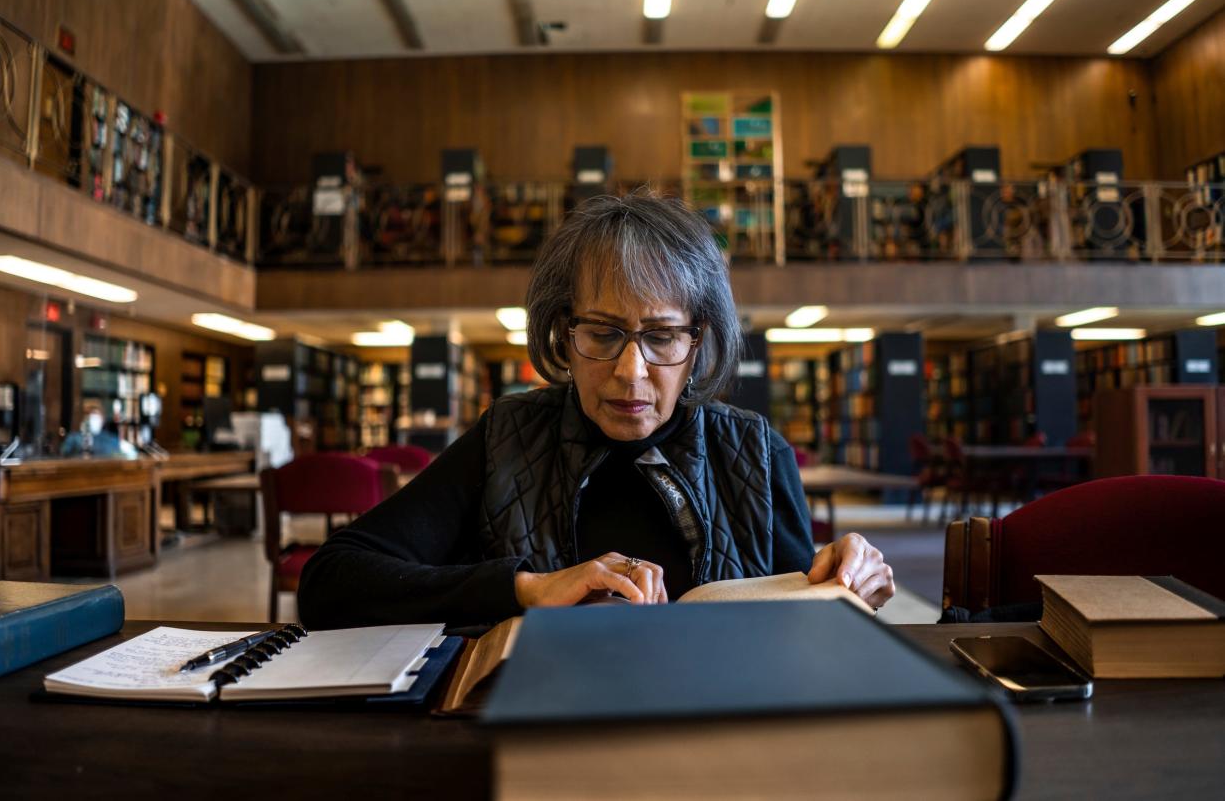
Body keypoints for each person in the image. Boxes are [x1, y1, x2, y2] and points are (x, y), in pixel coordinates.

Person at [298, 194, 895, 629]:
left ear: (697, 340)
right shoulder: (505, 437)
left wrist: (846, 579)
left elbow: (807, 629)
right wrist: (528, 589)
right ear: (563, 332)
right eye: (603, 332)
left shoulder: (757, 452)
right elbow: (329, 582)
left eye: (661, 337)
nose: (630, 371)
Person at [60, 402, 138, 460]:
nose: (93, 419)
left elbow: (129, 454)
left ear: (102, 419)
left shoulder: (110, 439)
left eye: (96, 415)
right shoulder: (74, 438)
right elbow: (63, 455)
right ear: (83, 419)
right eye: (89, 415)